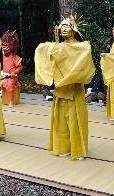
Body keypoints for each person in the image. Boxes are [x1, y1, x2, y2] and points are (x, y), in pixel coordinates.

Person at [35, 14, 95, 160]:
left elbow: (80, 64)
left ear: (74, 30)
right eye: (61, 27)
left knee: (75, 121)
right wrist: (55, 48)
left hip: (74, 90)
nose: (63, 29)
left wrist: (58, 50)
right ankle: (63, 146)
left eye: (66, 26)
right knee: (60, 121)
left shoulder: (83, 47)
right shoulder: (57, 47)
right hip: (60, 90)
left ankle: (78, 149)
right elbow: (42, 50)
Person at [0, 30, 23, 108]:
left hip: (11, 77)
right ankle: (0, 97)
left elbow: (20, 67)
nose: (4, 49)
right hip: (3, 75)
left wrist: (15, 72)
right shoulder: (3, 55)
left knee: (10, 85)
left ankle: (11, 101)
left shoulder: (15, 57)